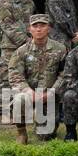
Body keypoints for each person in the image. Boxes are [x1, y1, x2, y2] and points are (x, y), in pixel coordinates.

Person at [7, 13, 67, 143]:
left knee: (46, 136)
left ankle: (39, 119)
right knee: (19, 99)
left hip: (49, 97)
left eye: (42, 25)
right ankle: (21, 132)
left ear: (49, 28)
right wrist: (28, 91)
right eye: (35, 26)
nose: (39, 29)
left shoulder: (60, 49)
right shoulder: (21, 52)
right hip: (29, 94)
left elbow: (65, 74)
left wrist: (51, 92)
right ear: (29, 29)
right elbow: (15, 75)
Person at [0, 0, 35, 87]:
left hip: (28, 45)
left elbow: (31, 23)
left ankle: (21, 104)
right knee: (6, 78)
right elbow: (7, 26)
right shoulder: (4, 2)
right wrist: (26, 40)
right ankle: (4, 105)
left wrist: (33, 40)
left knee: (26, 76)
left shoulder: (29, 2)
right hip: (10, 46)